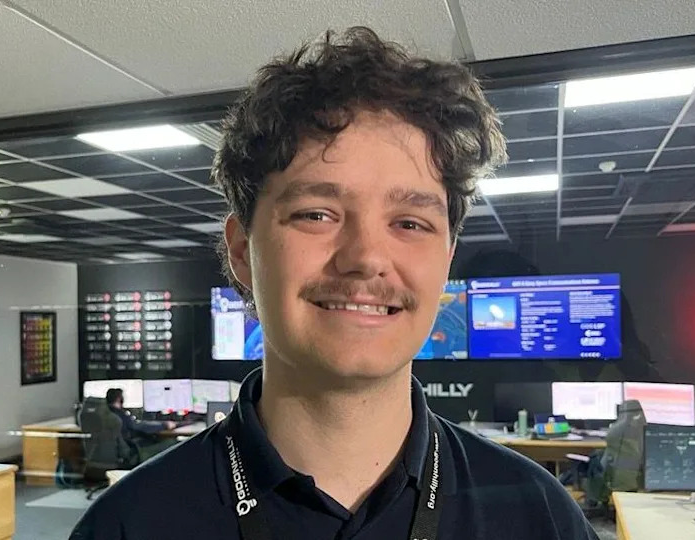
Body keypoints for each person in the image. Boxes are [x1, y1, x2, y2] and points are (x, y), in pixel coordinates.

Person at [71, 27, 599, 540]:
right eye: (316, 215)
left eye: (410, 223)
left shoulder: (540, 517)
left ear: (446, 261)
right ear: (241, 251)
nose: (367, 258)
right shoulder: (128, 524)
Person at [104, 388, 176, 463]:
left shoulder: (106, 414)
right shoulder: (119, 415)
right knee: (171, 443)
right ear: (119, 399)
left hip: (116, 452)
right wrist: (165, 425)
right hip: (131, 451)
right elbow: (138, 426)